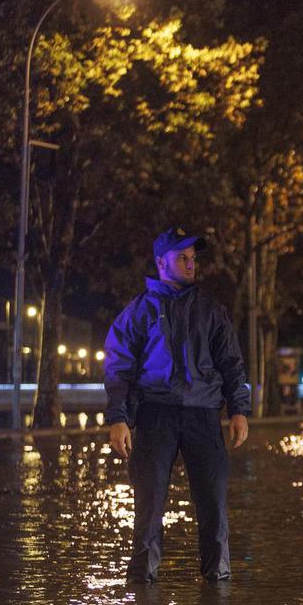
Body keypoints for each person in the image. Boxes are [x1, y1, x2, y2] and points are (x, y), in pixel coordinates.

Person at [104, 227, 251, 583]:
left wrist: (239, 409)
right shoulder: (139, 311)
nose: (190, 264)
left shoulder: (210, 310)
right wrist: (118, 418)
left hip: (203, 413)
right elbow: (118, 366)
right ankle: (142, 580)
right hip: (155, 414)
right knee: (149, 505)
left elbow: (231, 362)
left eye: (193, 258)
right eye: (182, 258)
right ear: (160, 262)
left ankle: (218, 582)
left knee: (213, 504)